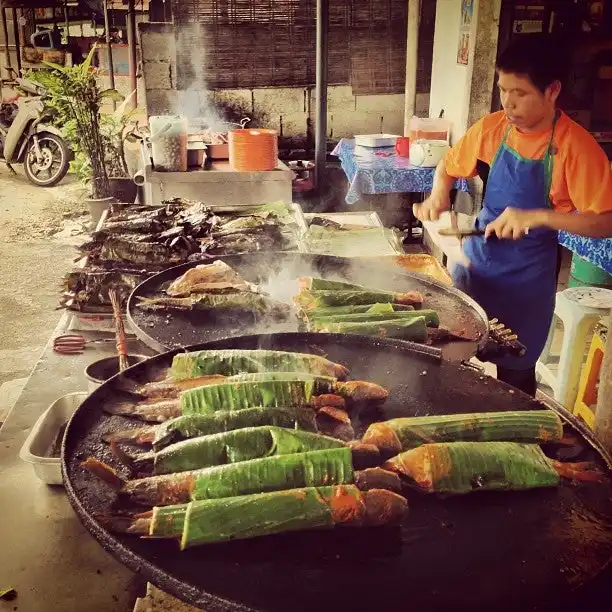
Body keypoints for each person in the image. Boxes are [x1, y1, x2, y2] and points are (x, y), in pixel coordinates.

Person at [413, 35, 612, 397]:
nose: (508, 102)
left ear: (552, 90)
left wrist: (539, 217)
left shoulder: (575, 147)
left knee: (514, 376)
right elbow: (448, 165)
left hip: (526, 280)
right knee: (450, 356)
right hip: (474, 264)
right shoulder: (493, 128)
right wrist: (439, 195)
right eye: (503, 90)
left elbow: (604, 221)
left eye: (519, 92)